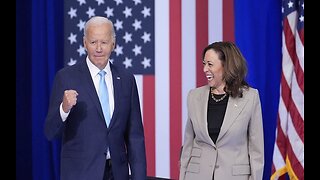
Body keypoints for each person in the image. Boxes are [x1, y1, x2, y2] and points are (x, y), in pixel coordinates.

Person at [44, 16, 147, 180]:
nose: (98, 48)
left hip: (117, 174)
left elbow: (135, 137)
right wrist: (64, 109)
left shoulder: (127, 79)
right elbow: (50, 132)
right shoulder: (66, 77)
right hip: (80, 174)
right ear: (84, 43)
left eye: (104, 42)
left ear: (113, 44)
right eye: (93, 42)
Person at [179, 41, 264, 180]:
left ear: (226, 66)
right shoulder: (194, 96)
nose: (205, 69)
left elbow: (256, 151)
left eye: (210, 64)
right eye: (204, 64)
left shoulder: (251, 97)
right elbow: (188, 145)